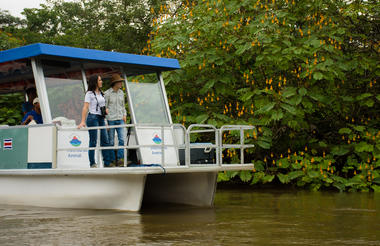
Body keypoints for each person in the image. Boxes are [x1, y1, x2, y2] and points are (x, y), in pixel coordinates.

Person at [78, 75, 112, 168]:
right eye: (100, 80)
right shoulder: (89, 94)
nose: (102, 82)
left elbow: (102, 105)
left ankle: (107, 163)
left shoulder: (101, 93)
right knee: (93, 141)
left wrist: (106, 110)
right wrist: (82, 121)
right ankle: (92, 163)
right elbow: (85, 107)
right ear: (95, 82)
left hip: (101, 118)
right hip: (92, 118)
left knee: (105, 140)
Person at [105, 74, 127, 166]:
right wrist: (106, 122)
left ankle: (120, 159)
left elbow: (123, 106)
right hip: (111, 119)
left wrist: (125, 114)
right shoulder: (107, 93)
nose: (121, 83)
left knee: (122, 139)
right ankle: (112, 160)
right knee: (111, 141)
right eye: (120, 82)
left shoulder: (121, 93)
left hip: (120, 119)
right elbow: (104, 108)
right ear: (115, 83)